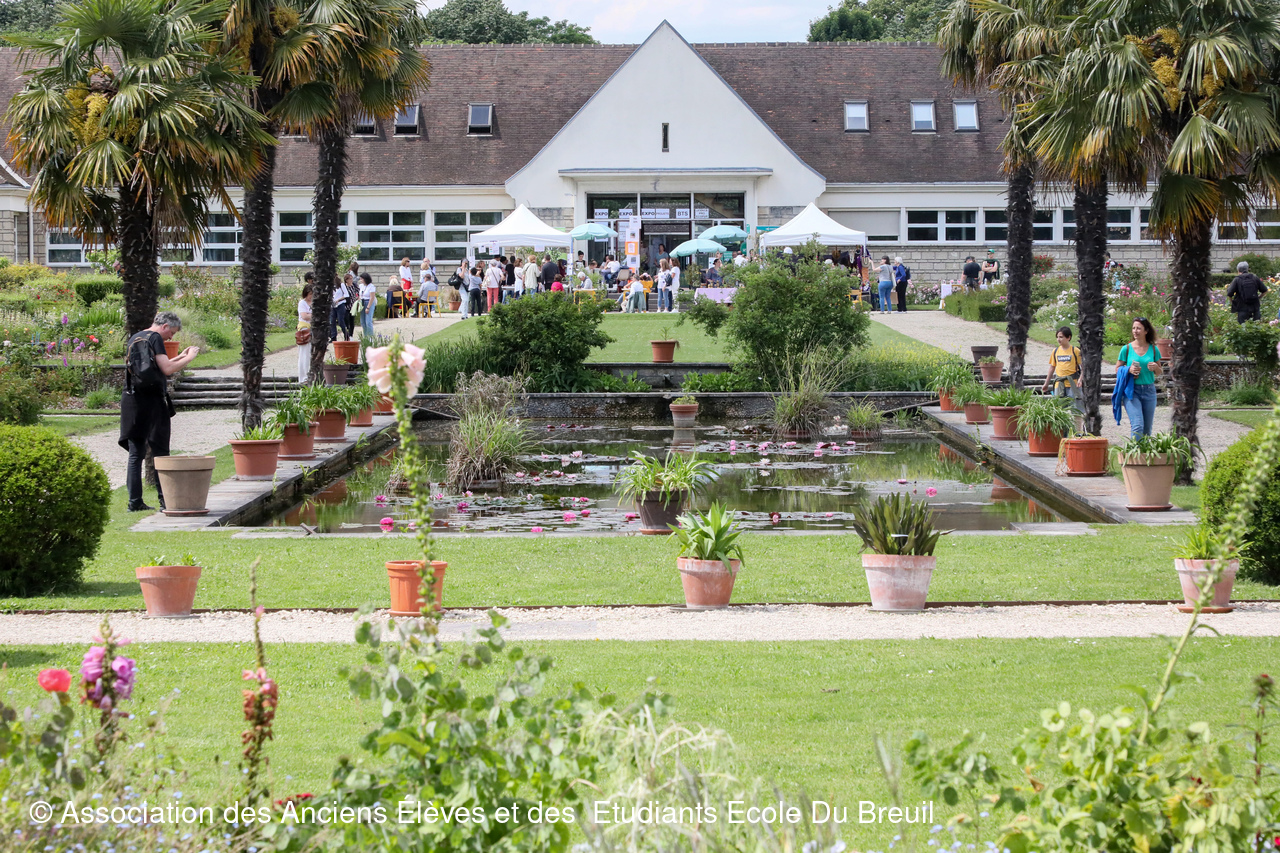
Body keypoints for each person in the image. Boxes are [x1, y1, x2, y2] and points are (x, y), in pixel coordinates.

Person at [119, 311, 199, 511]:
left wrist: (180, 356)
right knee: (160, 452)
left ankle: (134, 502)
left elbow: (152, 365)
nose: (170, 337)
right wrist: (190, 357)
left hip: (132, 399)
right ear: (164, 326)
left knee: (136, 453)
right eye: (171, 332)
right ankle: (166, 500)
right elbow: (167, 369)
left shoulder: (136, 337)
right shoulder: (155, 337)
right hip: (152, 401)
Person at [1116, 317, 1163, 437]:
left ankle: (1143, 450)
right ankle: (1134, 449)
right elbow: (1117, 369)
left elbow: (1159, 372)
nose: (1135, 331)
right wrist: (1128, 370)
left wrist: (1155, 367)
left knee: (1147, 430)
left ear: (1146, 331)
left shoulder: (1153, 349)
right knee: (1137, 425)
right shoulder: (1126, 349)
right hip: (1132, 391)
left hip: (1149, 391)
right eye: (1133, 328)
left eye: (1138, 328)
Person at [1040, 326, 1083, 415]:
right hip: (1059, 384)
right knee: (1059, 412)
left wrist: (1081, 379)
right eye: (1057, 337)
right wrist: (1046, 384)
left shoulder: (1075, 351)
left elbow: (1084, 367)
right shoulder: (1055, 351)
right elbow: (1052, 368)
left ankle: (1077, 424)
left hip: (1073, 384)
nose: (1058, 339)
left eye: (1061, 337)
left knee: (1076, 412)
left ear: (1068, 338)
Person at [297, 284, 313, 383]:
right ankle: (303, 377)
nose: (311, 296)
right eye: (310, 294)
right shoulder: (302, 303)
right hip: (304, 329)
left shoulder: (314, 303)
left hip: (313, 329)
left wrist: (309, 314)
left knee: (311, 354)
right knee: (304, 354)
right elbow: (304, 316)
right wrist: (314, 314)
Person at [331, 273, 354, 341]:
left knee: (340, 321)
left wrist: (339, 299)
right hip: (333, 305)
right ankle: (333, 337)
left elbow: (346, 294)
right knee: (332, 321)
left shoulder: (341, 285)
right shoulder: (330, 286)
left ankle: (346, 335)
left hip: (340, 304)